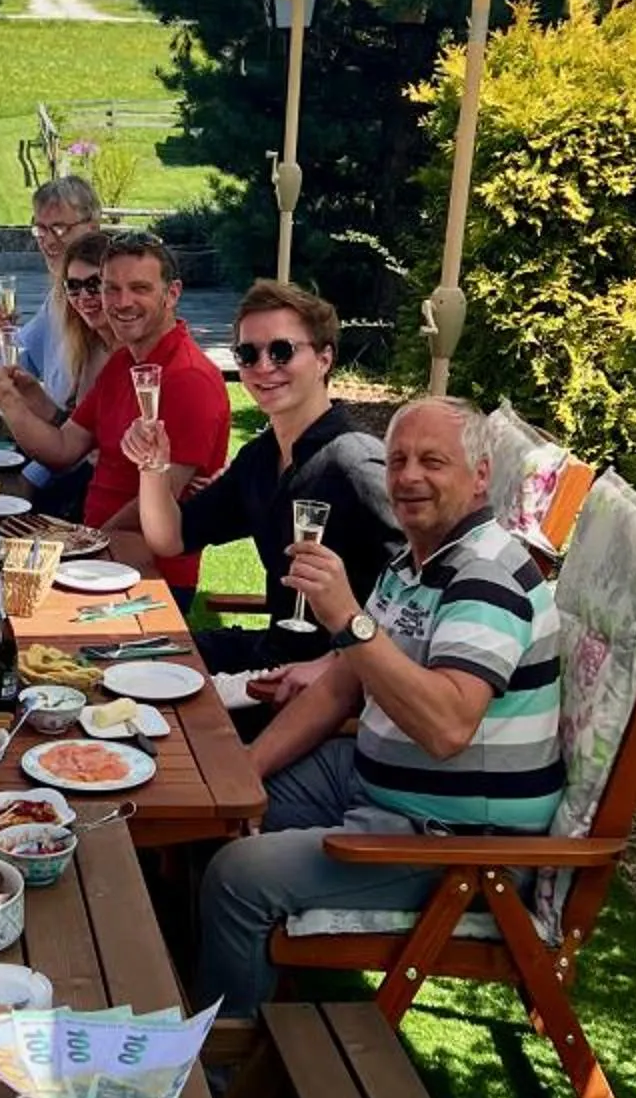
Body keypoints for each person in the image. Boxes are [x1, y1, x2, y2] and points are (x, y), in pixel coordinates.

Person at [196, 397, 563, 1016]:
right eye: (397, 460)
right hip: (376, 783)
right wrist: (246, 774)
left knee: (239, 876)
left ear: (480, 476)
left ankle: (225, 1071)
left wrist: (346, 618)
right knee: (211, 809)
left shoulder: (487, 579)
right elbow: (344, 684)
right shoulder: (418, 559)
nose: (408, 476)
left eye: (432, 462)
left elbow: (447, 727)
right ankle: (232, 998)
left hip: (456, 843)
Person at [114, 280, 396, 670]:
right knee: (122, 655)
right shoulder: (262, 459)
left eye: (282, 351)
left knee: (143, 683)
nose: (264, 366)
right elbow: (171, 538)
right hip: (271, 654)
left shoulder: (355, 464)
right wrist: (153, 467)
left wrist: (334, 668)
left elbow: (416, 601)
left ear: (324, 359)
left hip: (329, 681)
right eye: (248, 354)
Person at [0, 230, 231, 586]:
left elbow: (155, 502)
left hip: (146, 576)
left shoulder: (190, 378)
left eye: (139, 288)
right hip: (97, 557)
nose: (121, 302)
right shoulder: (124, 361)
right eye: (111, 288)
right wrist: (7, 400)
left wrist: (83, 544)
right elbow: (62, 449)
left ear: (172, 294)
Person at [0, 220, 111, 519]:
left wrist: (11, 403)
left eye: (94, 284)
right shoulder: (89, 339)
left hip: (97, 495)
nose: (84, 296)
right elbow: (74, 432)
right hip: (75, 478)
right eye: (72, 286)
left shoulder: (128, 356)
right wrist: (33, 395)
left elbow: (80, 451)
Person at [8, 175, 102, 411]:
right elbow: (25, 359)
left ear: (93, 227)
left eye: (60, 228)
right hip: (62, 436)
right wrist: (2, 334)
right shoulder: (59, 294)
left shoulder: (104, 301)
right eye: (40, 229)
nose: (48, 241)